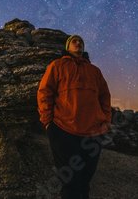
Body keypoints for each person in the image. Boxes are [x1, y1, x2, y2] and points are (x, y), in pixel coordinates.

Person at [37, 35, 112, 199]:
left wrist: (106, 121)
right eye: (74, 41)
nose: (78, 43)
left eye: (81, 42)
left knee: (85, 180)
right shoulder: (57, 65)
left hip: (93, 132)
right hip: (64, 130)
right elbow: (44, 93)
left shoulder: (95, 71)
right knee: (71, 180)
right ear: (67, 47)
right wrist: (48, 122)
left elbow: (104, 97)